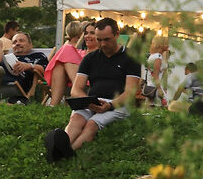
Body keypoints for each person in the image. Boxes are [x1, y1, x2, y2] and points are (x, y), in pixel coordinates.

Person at [44, 19, 141, 162]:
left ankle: (65, 155)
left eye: (107, 40)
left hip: (117, 103)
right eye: (99, 40)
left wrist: (111, 105)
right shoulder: (91, 58)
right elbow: (76, 89)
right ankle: (61, 146)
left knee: (91, 124)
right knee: (76, 119)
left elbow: (130, 92)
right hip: (92, 100)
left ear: (117, 35)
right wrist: (88, 102)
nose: (102, 44)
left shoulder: (131, 58)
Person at [44, 21, 88, 106]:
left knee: (65, 51)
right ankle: (54, 105)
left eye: (92, 33)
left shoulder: (96, 52)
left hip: (85, 78)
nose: (87, 36)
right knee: (60, 65)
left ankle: (54, 104)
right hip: (69, 79)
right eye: (86, 33)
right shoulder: (76, 50)